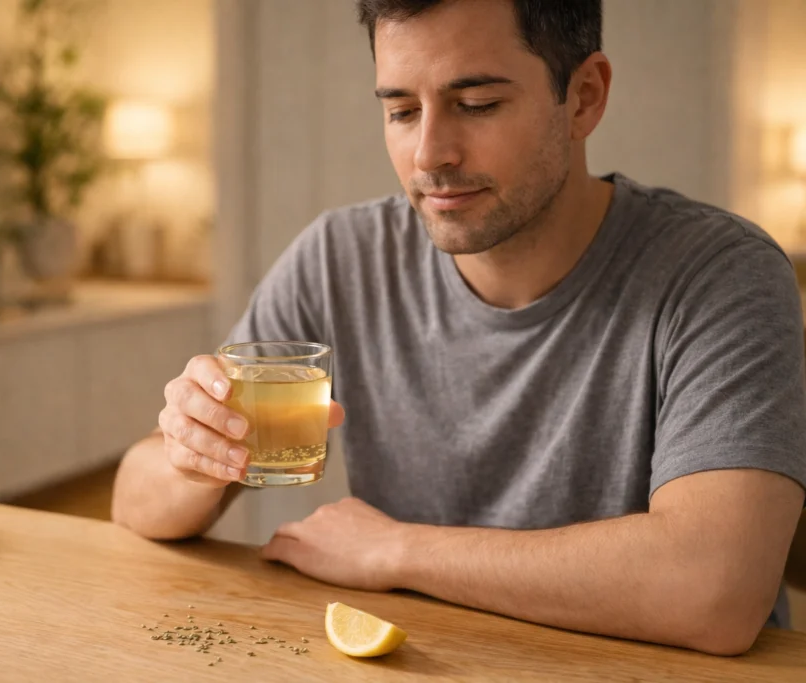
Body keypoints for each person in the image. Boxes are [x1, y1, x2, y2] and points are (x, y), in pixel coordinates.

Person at [112, 0, 806, 655]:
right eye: (403, 111)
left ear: (585, 96)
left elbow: (715, 589)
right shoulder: (339, 258)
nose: (429, 154)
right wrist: (192, 453)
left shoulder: (720, 274)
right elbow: (134, 498)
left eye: (477, 104)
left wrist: (397, 549)